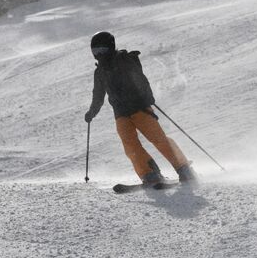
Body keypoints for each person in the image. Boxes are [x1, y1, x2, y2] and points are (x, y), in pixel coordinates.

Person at [84, 31, 197, 186]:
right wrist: (92, 112)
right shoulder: (100, 72)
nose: (98, 55)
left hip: (139, 107)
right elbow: (98, 95)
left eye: (101, 50)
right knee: (130, 145)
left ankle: (183, 168)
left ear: (111, 47)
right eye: (95, 52)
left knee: (158, 139)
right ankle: (149, 174)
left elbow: (140, 79)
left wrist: (147, 97)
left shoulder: (125, 60)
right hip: (121, 113)